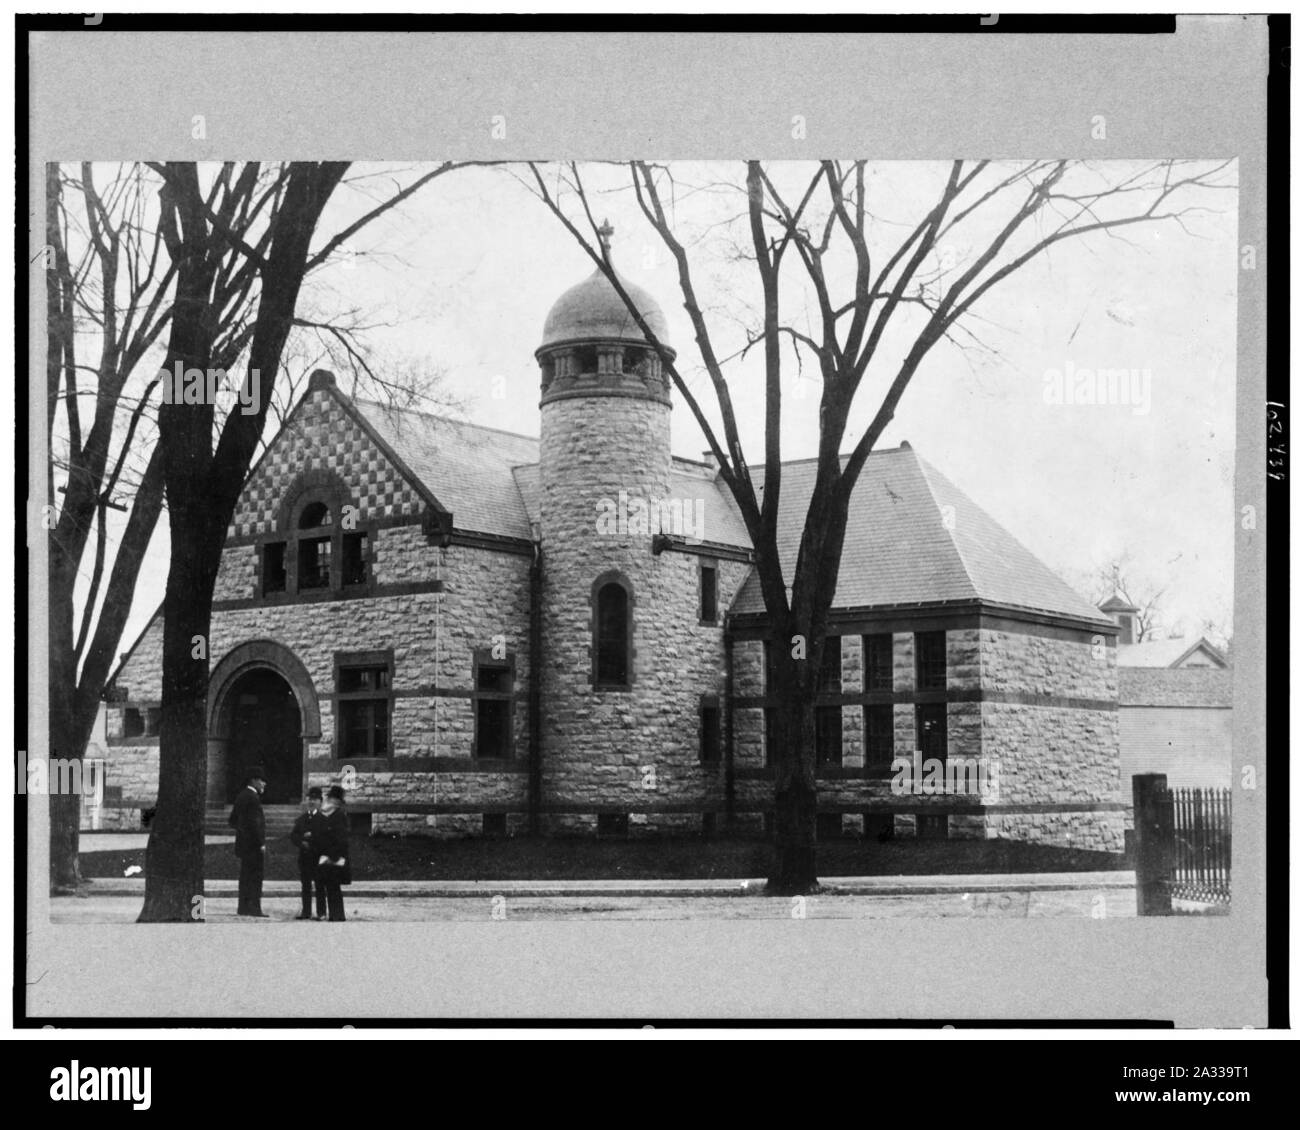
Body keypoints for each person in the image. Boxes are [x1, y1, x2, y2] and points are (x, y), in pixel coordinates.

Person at [228, 766, 268, 917]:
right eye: (262, 780)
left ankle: (243, 907)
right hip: (253, 846)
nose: (264, 784)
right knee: (255, 877)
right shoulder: (253, 798)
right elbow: (255, 824)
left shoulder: (241, 796)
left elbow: (232, 821)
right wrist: (260, 843)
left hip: (244, 846)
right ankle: (254, 908)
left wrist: (242, 833)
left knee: (245, 877)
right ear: (254, 780)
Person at [290, 787, 326, 920]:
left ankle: (321, 912)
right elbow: (293, 836)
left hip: (318, 857)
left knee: (320, 885)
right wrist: (301, 842)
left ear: (320, 802)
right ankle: (306, 912)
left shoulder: (323, 819)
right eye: (310, 799)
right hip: (305, 858)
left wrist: (312, 836)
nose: (312, 802)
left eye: (315, 799)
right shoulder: (301, 819)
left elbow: (326, 837)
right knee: (305, 885)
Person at [316, 785, 351, 922]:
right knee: (332, 886)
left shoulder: (337, 815)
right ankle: (335, 914)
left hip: (333, 856)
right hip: (328, 855)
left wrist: (333, 855)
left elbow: (341, 838)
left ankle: (337, 914)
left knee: (333, 886)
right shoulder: (333, 814)